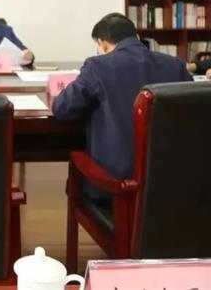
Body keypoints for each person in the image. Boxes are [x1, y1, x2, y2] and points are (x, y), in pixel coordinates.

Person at [51, 13, 192, 199]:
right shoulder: (175, 65)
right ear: (137, 37)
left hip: (116, 188)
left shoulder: (97, 66)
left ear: (102, 44)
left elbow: (62, 109)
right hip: (170, 186)